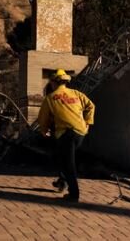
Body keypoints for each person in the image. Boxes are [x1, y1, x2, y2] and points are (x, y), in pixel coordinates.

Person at [38, 69, 95, 202]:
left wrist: (44, 130)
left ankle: (74, 194)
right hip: (80, 132)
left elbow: (43, 118)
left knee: (69, 163)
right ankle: (62, 181)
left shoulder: (50, 98)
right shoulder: (76, 94)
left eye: (51, 81)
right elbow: (91, 106)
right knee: (63, 158)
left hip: (65, 133)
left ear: (54, 82)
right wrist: (88, 123)